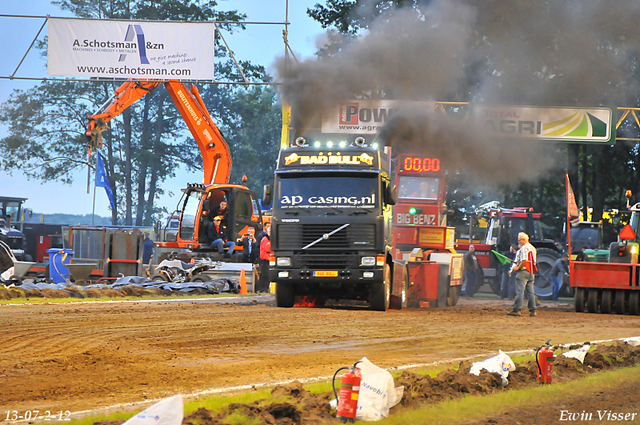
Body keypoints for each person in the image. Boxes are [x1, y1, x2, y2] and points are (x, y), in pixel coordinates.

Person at [507, 232, 537, 317]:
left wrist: (517, 267)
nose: (518, 242)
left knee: (520, 291)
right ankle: (533, 310)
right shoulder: (532, 248)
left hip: (523, 271)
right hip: (531, 272)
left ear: (524, 240)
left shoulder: (524, 248)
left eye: (519, 240)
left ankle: (517, 309)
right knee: (530, 292)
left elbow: (524, 260)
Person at [258, 222, 272, 293]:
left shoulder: (269, 239)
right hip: (264, 260)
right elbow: (268, 248)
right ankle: (262, 289)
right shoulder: (265, 239)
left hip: (270, 260)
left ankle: (265, 289)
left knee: (267, 276)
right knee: (264, 275)